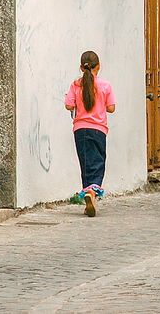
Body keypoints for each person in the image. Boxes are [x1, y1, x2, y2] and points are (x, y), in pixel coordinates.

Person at [64, 50, 116, 217]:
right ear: (98, 67)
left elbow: (68, 105)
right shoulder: (105, 85)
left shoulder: (75, 85)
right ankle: (92, 194)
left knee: (85, 163)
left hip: (80, 129)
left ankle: (89, 197)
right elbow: (111, 108)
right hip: (98, 129)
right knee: (98, 162)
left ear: (81, 67)